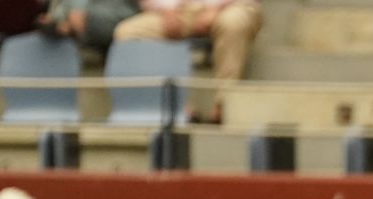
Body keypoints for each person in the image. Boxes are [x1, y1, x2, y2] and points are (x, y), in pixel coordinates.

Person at [111, 0, 261, 116]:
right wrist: (167, 11)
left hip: (233, 6)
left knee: (233, 22)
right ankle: (171, 106)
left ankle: (224, 104)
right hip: (179, 10)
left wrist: (215, 8)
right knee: (128, 32)